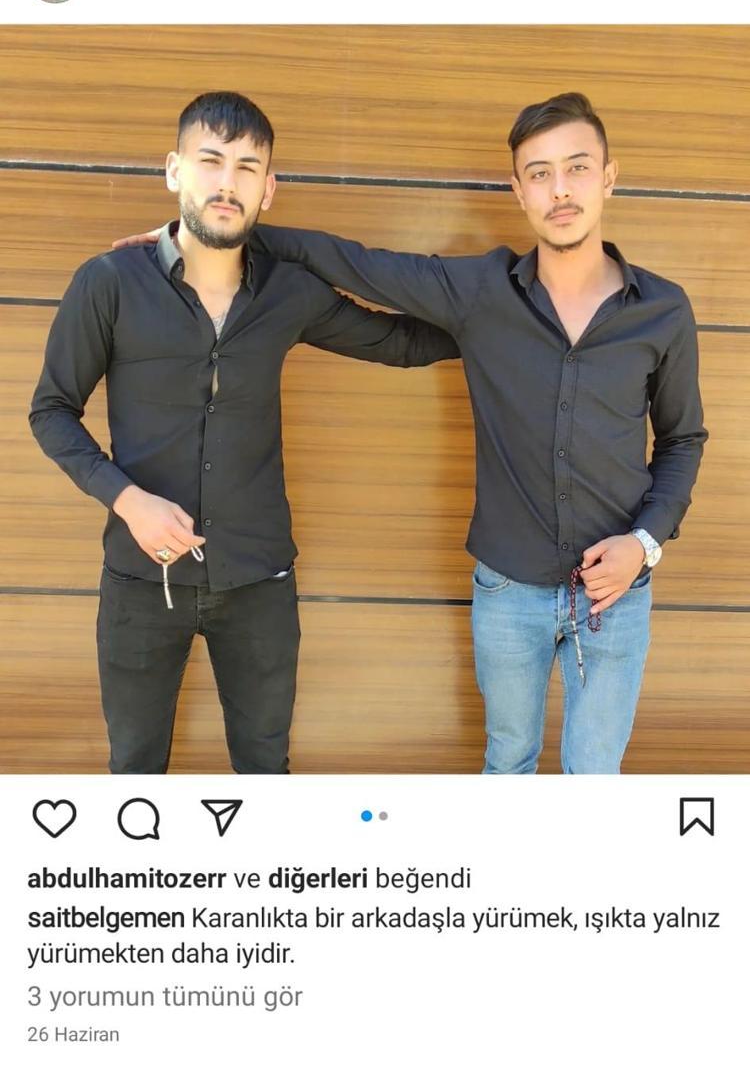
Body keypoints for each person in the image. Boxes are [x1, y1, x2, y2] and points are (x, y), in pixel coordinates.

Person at [246, 92, 708, 773]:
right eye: (540, 173)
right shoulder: (481, 291)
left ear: (608, 177)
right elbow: (355, 262)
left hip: (615, 595)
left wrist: (644, 545)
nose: (560, 189)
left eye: (577, 167)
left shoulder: (663, 310)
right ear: (518, 190)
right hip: (508, 591)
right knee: (508, 763)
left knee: (595, 778)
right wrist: (212, 235)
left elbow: (682, 439)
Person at [29, 91, 458, 774]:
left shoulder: (290, 292)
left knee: (265, 771)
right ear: (175, 170)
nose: (227, 183)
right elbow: (51, 410)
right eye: (211, 161)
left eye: (247, 168)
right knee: (134, 772)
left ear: (269, 189)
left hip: (260, 581)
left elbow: (400, 343)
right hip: (142, 581)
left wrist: (509, 316)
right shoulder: (109, 283)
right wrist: (129, 500)